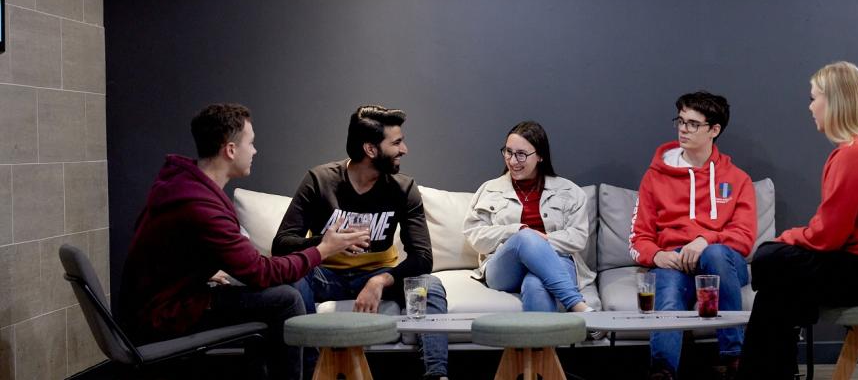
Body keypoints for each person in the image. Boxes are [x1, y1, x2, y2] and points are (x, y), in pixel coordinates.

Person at [119, 103, 371, 380]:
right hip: (162, 315)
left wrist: (200, 270)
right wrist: (323, 249)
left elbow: (171, 250)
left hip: (164, 300)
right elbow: (260, 273)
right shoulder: (200, 204)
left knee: (279, 292)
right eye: (250, 143)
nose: (254, 151)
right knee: (285, 300)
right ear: (230, 150)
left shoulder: (182, 183)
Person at [737, 61, 858, 379]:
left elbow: (827, 237)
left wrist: (785, 239)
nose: (810, 106)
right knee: (776, 282)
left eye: (814, 98)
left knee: (771, 260)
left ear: (834, 101)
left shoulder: (856, 154)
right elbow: (832, 232)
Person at [272, 105, 449, 380]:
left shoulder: (403, 188)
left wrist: (380, 281)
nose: (405, 149)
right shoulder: (320, 181)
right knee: (293, 282)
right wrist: (326, 243)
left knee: (430, 286)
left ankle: (436, 375)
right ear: (370, 149)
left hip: (378, 273)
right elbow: (281, 244)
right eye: (397, 142)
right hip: (325, 275)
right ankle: (310, 373)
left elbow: (422, 258)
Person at [630, 91, 758, 380]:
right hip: (675, 259)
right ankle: (663, 370)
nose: (683, 129)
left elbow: (745, 237)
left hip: (722, 260)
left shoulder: (737, 179)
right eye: (680, 121)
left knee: (714, 254)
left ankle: (733, 360)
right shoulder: (655, 176)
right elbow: (639, 237)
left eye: (692, 124)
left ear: (714, 130)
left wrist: (706, 240)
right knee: (667, 285)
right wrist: (658, 255)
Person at [463, 121, 597, 315]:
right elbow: (475, 236)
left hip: (557, 262)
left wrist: (544, 240)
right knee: (524, 236)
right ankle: (577, 305)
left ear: (540, 156)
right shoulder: (489, 190)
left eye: (521, 154)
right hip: (505, 270)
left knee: (536, 284)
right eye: (508, 152)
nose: (513, 160)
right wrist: (517, 232)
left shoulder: (569, 191)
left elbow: (578, 238)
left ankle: (539, 346)